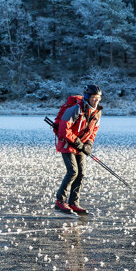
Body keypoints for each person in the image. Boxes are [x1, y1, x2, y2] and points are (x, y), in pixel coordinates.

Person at [54, 84, 103, 215]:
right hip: (66, 143)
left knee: (81, 173)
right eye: (93, 98)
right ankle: (60, 201)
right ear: (87, 97)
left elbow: (93, 131)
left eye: (98, 98)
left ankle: (73, 203)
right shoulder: (75, 109)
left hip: (81, 145)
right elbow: (64, 129)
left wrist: (88, 144)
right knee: (72, 171)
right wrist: (78, 143)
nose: (96, 101)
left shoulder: (97, 112)